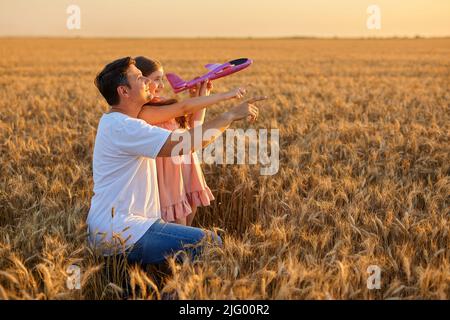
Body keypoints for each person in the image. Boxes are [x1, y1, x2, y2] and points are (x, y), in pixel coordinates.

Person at [87, 56, 266, 265]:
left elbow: (185, 131)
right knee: (209, 242)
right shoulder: (124, 127)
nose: (146, 81)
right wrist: (229, 116)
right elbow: (185, 144)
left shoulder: (118, 122)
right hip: (123, 230)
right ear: (123, 91)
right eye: (139, 78)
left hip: (123, 228)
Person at [134, 56, 241, 226]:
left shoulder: (163, 103)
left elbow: (193, 127)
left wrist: (201, 96)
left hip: (185, 164)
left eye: (162, 79)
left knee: (189, 217)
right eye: (156, 80)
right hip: (169, 173)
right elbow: (184, 108)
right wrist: (226, 96)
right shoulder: (144, 112)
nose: (162, 85)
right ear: (142, 82)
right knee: (179, 223)